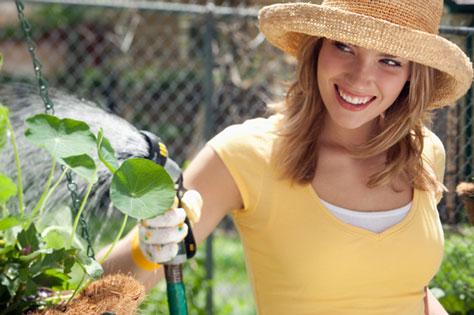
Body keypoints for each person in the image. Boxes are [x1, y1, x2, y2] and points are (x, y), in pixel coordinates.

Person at [99, 0, 473, 314]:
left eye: (390, 61)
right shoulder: (246, 154)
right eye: (343, 46)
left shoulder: (422, 152)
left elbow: (413, 293)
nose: (360, 78)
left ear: (412, 75)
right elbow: (101, 292)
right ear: (317, 47)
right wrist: (147, 247)